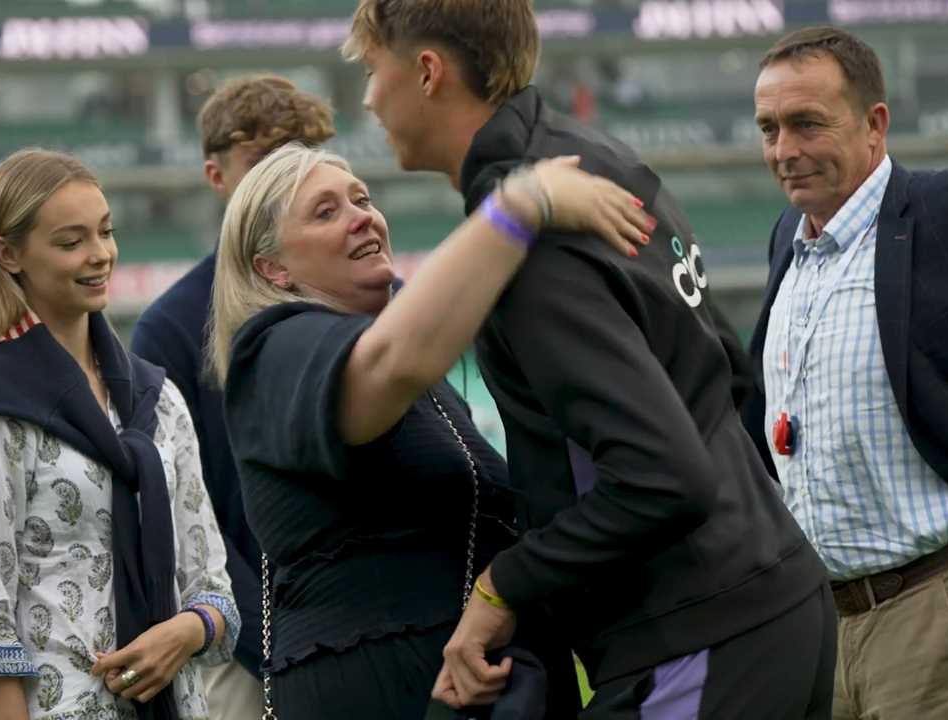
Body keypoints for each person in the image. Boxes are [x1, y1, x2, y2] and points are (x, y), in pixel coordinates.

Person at [342, 1, 836, 717]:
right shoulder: (599, 161)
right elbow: (726, 373)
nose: (366, 95)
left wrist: (503, 584)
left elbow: (665, 477)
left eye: (370, 68)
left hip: (697, 631)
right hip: (763, 600)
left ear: (426, 72)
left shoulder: (535, 232)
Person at [212, 142, 650, 719]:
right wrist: (520, 206)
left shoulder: (417, 378)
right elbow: (395, 361)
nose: (361, 216)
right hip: (379, 690)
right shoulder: (273, 345)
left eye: (362, 199)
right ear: (273, 268)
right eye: (326, 212)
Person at [0, 148, 239, 720]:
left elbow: (213, 590)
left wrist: (186, 633)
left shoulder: (157, 399)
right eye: (71, 242)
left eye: (106, 233)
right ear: (8, 254)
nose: (100, 256)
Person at [741, 26, 948, 719]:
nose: (784, 151)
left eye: (806, 124)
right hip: (821, 629)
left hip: (941, 615)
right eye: (769, 129)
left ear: (874, 124)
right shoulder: (784, 244)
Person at [129, 74, 335, 718]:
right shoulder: (170, 326)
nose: (284, 174)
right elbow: (181, 513)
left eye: (300, 154)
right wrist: (269, 640)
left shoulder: (361, 295)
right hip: (247, 648)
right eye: (261, 160)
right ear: (215, 175)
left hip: (374, 622)